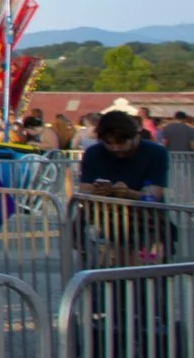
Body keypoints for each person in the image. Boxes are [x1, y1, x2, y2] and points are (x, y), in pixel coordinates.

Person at [73, 109, 172, 267]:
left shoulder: (156, 153)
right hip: (103, 214)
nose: (115, 148)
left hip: (144, 217)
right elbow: (84, 189)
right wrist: (97, 191)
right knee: (79, 226)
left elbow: (154, 196)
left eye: (120, 143)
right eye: (109, 143)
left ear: (134, 137)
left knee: (140, 252)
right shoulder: (94, 153)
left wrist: (129, 193)